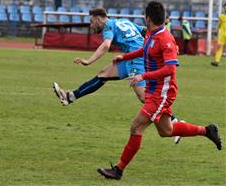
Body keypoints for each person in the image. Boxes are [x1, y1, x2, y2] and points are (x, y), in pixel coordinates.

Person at [97, 1, 222, 180]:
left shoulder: (165, 39)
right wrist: (125, 56)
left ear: (148, 18)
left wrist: (143, 76)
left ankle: (118, 170)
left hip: (162, 92)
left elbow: (171, 69)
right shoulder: (150, 33)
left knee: (137, 126)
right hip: (154, 89)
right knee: (166, 131)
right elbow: (145, 50)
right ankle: (207, 130)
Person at [53, 7, 182, 144]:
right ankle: (69, 96)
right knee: (103, 75)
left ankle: (175, 122)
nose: (91, 26)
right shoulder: (123, 21)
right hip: (129, 57)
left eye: (91, 22)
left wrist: (88, 61)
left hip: (136, 59)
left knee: (144, 97)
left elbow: (105, 45)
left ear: (98, 20)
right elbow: (145, 30)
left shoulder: (108, 27)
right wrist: (171, 42)